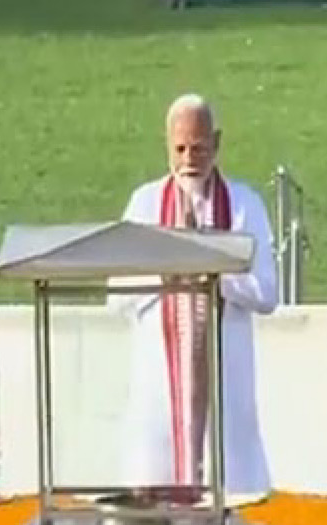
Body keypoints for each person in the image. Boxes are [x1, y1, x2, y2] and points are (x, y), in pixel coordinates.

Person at [108, 94, 279, 498]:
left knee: (233, 492)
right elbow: (116, 295)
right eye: (180, 149)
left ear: (217, 144)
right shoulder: (145, 203)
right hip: (158, 380)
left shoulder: (243, 205)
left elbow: (267, 293)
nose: (189, 159)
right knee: (154, 494)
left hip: (225, 375)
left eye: (199, 148)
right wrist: (169, 270)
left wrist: (212, 274)